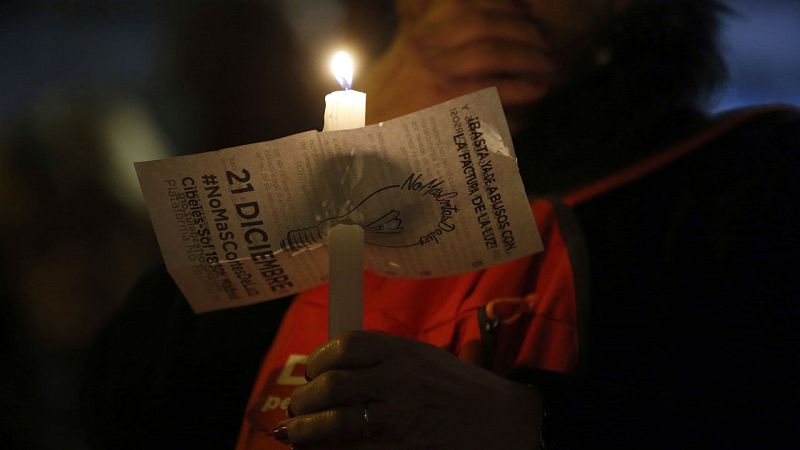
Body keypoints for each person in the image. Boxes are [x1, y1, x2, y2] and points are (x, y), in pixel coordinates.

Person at [82, 1, 799, 449]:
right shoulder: (360, 129)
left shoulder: (745, 180)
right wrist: (358, 141)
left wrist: (531, 424)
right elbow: (129, 402)